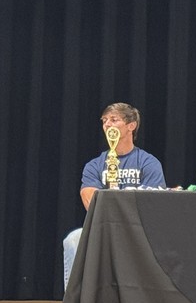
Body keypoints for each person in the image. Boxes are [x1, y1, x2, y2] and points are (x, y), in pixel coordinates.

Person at [64, 103, 166, 289]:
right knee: (73, 239)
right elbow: (91, 203)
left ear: (131, 126)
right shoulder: (94, 165)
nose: (108, 125)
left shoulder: (148, 163)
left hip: (138, 232)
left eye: (114, 120)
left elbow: (152, 204)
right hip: (102, 228)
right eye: (105, 121)